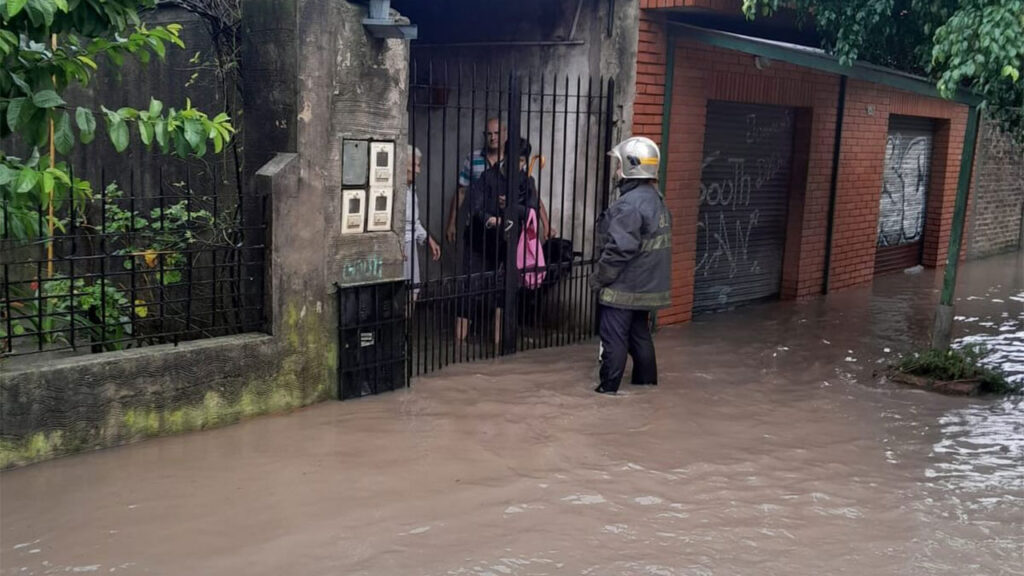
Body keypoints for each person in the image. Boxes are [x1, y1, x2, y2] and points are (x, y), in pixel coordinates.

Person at [589, 136, 671, 394]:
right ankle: (646, 388)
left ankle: (608, 391)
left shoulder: (629, 204)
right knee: (639, 337)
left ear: (631, 166)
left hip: (624, 287)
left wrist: (599, 278)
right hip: (646, 286)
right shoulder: (656, 198)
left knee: (614, 339)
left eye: (619, 165)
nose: (616, 171)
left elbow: (619, 249)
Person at [465, 136, 541, 349]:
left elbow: (532, 211)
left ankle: (500, 344)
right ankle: (463, 340)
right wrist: (491, 219)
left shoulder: (527, 181)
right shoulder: (488, 177)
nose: (518, 165)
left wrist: (511, 208)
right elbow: (476, 207)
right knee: (473, 287)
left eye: (521, 161)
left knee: (506, 290)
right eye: (514, 159)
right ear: (505, 156)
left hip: (510, 244)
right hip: (482, 241)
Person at [405, 146, 440, 315]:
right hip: (402, 246)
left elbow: (413, 221)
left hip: (409, 243)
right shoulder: (398, 190)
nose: (418, 171)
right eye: (415, 165)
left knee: (412, 290)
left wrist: (428, 239)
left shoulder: (411, 189)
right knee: (405, 292)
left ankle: (406, 327)